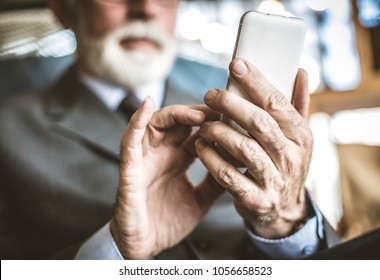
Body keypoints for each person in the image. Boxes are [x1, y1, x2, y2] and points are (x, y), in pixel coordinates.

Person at [0, 0, 339, 260]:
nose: (145, 9)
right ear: (64, 11)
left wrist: (288, 223)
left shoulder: (238, 116)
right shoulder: (9, 128)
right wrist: (116, 249)